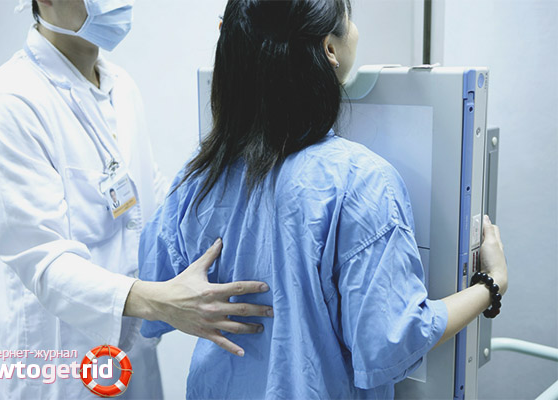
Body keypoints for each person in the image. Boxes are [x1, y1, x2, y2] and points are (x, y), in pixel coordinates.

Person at [138, 0, 509, 398]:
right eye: (349, 17)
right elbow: (391, 343)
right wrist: (491, 284)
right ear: (329, 48)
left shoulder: (199, 176)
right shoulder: (361, 181)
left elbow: (156, 296)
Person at [0, 0, 273, 398]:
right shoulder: (12, 101)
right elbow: (44, 261)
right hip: (60, 365)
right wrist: (161, 302)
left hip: (130, 352)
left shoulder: (122, 87)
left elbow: (155, 204)